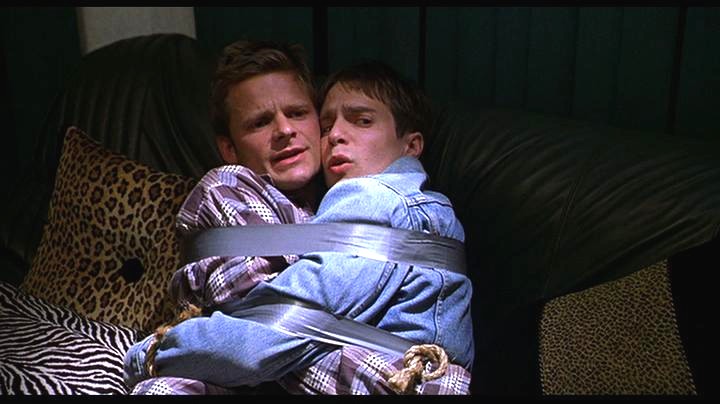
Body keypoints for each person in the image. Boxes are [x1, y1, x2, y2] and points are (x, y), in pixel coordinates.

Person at [123, 40, 472, 395]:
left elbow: (269, 336)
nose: (334, 136)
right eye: (327, 125)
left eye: (362, 121)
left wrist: (149, 354)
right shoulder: (231, 188)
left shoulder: (381, 197)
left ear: (411, 145)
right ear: (229, 148)